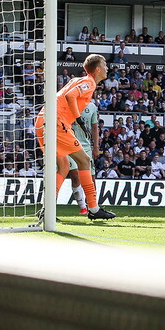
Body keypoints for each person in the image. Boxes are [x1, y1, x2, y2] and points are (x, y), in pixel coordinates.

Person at [36, 54, 115, 220]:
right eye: (105, 65)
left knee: (63, 166)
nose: (107, 68)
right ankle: (93, 208)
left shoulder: (77, 80)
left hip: (43, 118)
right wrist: (78, 119)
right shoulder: (90, 82)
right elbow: (70, 96)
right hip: (56, 121)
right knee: (84, 161)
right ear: (98, 69)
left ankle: (47, 210)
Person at [66, 99, 99, 215]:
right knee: (75, 175)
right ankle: (83, 207)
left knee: (91, 178)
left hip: (86, 146)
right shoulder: (69, 103)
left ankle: (94, 206)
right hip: (71, 145)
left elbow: (94, 128)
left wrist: (96, 147)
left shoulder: (92, 106)